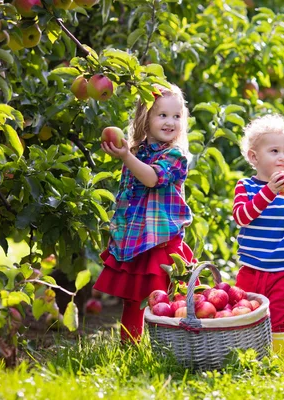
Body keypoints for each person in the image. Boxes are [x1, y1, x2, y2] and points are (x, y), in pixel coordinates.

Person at [94, 83, 195, 343]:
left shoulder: (176, 155)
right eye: (162, 115)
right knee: (133, 298)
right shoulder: (137, 152)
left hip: (162, 239)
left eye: (176, 116)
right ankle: (131, 345)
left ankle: (170, 345)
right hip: (136, 239)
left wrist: (126, 156)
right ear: (145, 118)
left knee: (163, 296)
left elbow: (152, 178)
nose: (170, 122)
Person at [232, 114, 284, 357]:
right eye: (275, 151)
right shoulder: (245, 187)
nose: (282, 157)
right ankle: (249, 357)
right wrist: (268, 191)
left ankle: (280, 360)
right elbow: (242, 217)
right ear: (254, 157)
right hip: (251, 268)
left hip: (283, 270)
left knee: (280, 314)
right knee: (247, 313)